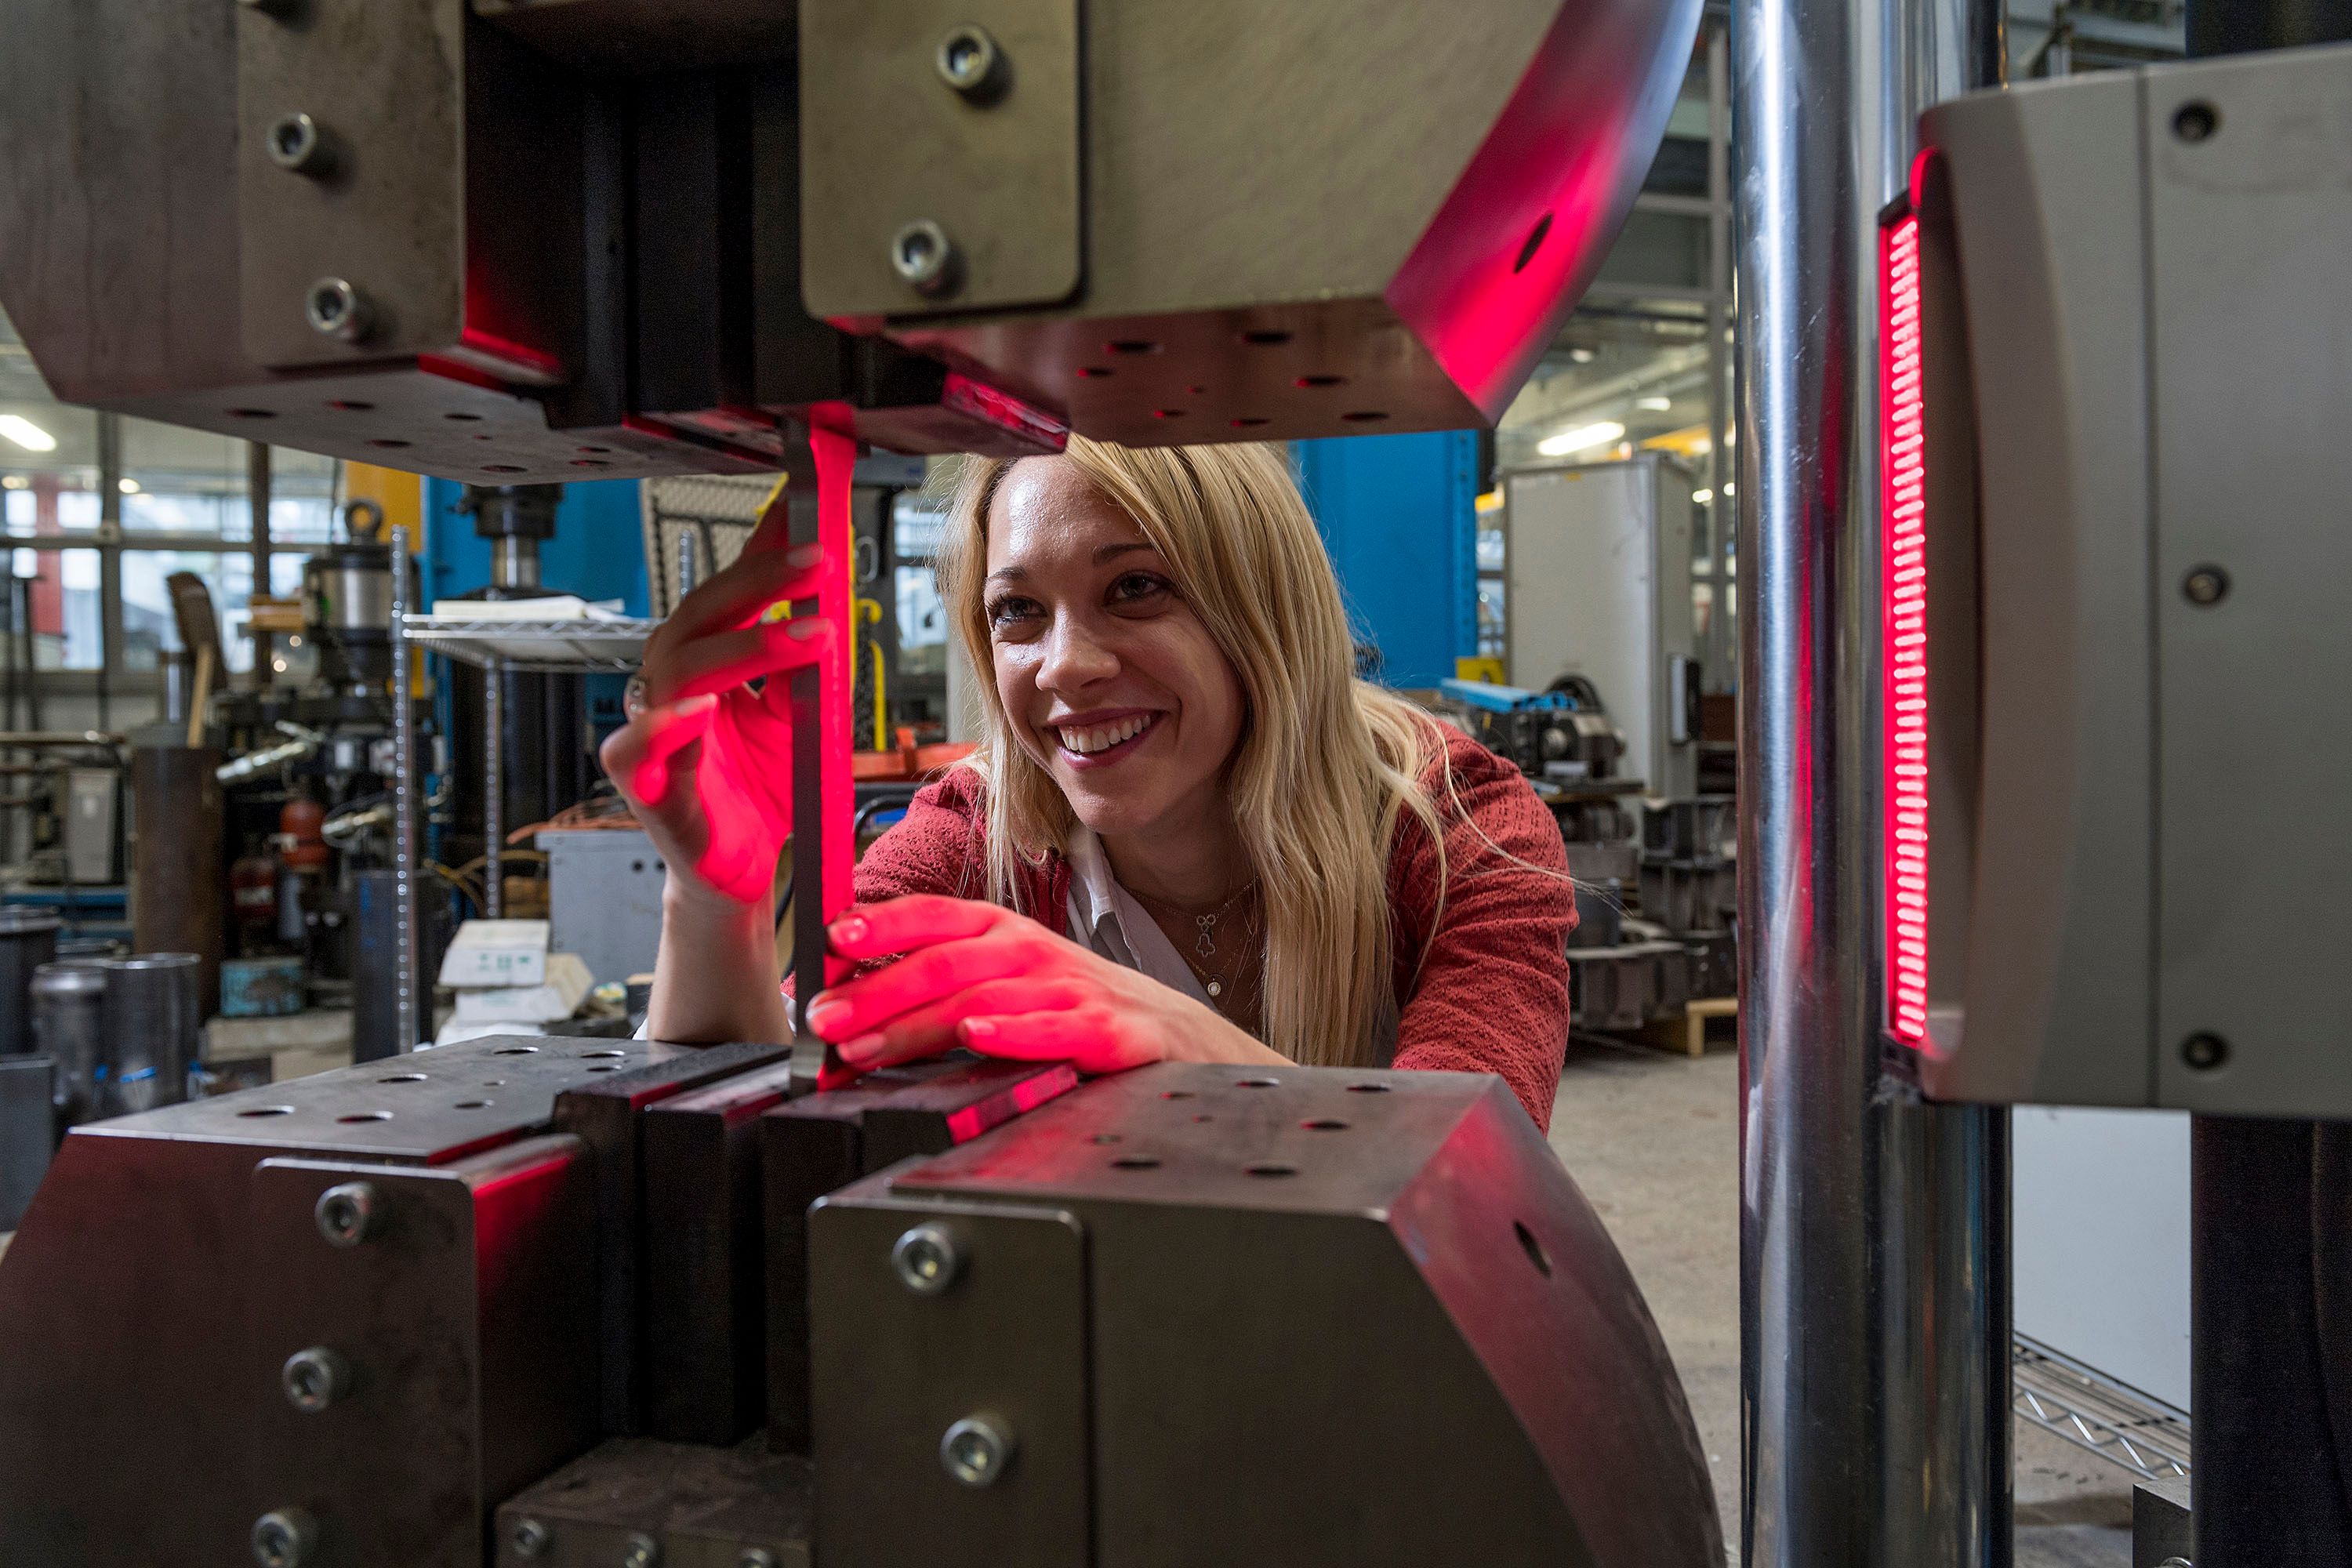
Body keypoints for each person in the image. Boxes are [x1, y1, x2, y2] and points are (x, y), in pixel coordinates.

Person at [603, 439, 1577, 1129]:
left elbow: (1481, 1173)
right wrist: (715, 900)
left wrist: (1194, 1045)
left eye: (1136, 587)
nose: (1064, 665)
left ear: (1260, 607)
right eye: (1019, 609)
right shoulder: (975, 831)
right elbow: (785, 1081)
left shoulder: (1458, 829)